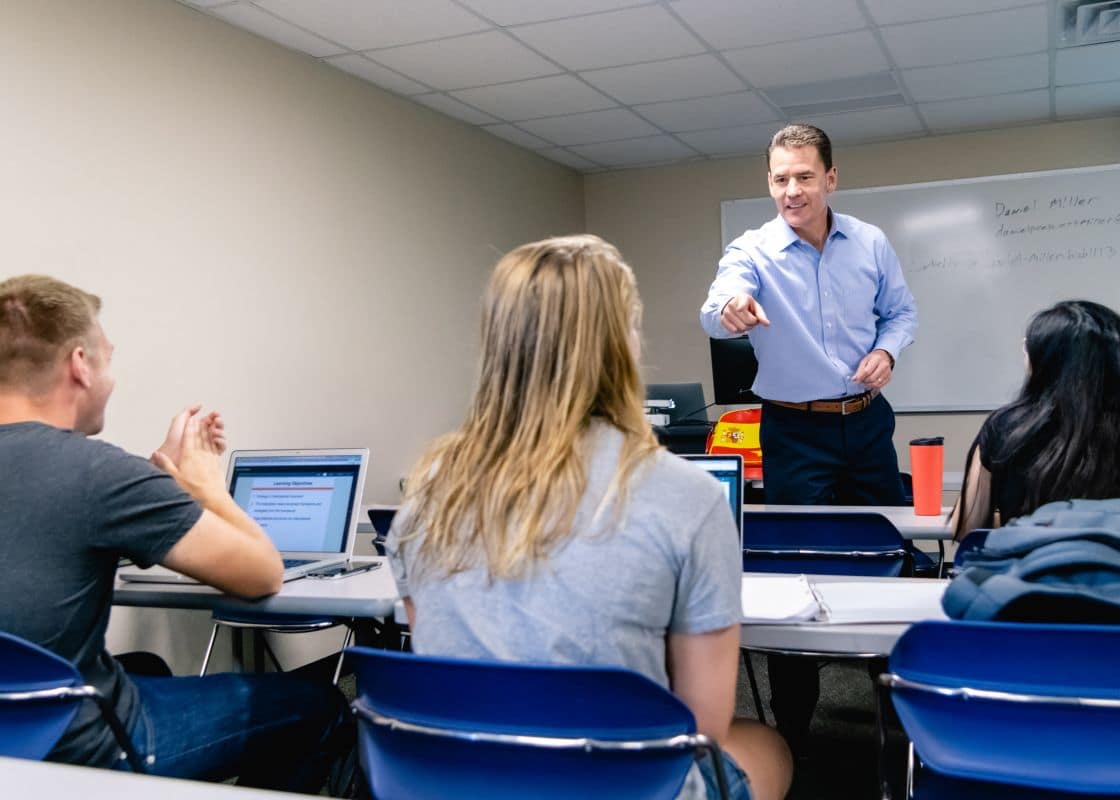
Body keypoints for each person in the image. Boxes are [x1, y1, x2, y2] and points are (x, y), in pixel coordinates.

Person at [387, 235, 793, 800]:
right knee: (769, 748)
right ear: (622, 343)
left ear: (498, 344)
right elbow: (701, 729)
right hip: (619, 786)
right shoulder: (688, 497)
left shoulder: (428, 490)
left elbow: (441, 648)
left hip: (462, 782)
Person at [0, 275, 352, 791]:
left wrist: (158, 482)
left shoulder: (97, 481)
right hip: (65, 740)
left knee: (147, 665)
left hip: (12, 730)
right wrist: (207, 486)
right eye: (107, 358)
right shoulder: (98, 473)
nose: (110, 377)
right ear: (80, 365)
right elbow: (262, 574)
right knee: (319, 706)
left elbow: (47, 530)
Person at [699, 122, 918, 755]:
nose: (790, 190)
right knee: (797, 572)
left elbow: (903, 313)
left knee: (888, 561)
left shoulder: (870, 243)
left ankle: (898, 717)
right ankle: (792, 734)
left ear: (830, 177)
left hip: (868, 419)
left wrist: (887, 349)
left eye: (802, 176)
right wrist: (731, 310)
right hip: (794, 429)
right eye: (778, 179)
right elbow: (715, 307)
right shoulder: (753, 250)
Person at [952, 299, 1120, 540]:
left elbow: (967, 526)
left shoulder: (1008, 428)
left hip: (1034, 576)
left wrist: (1011, 524)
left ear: (1046, 362)